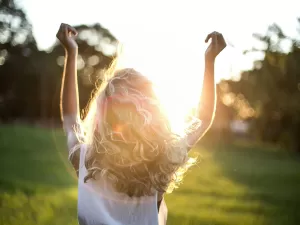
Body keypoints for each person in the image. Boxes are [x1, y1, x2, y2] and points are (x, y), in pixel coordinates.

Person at [56, 23, 226, 225]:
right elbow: (203, 118)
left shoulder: (86, 159)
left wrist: (71, 52)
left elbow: (70, 119)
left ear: (103, 117)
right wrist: (210, 60)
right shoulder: (162, 163)